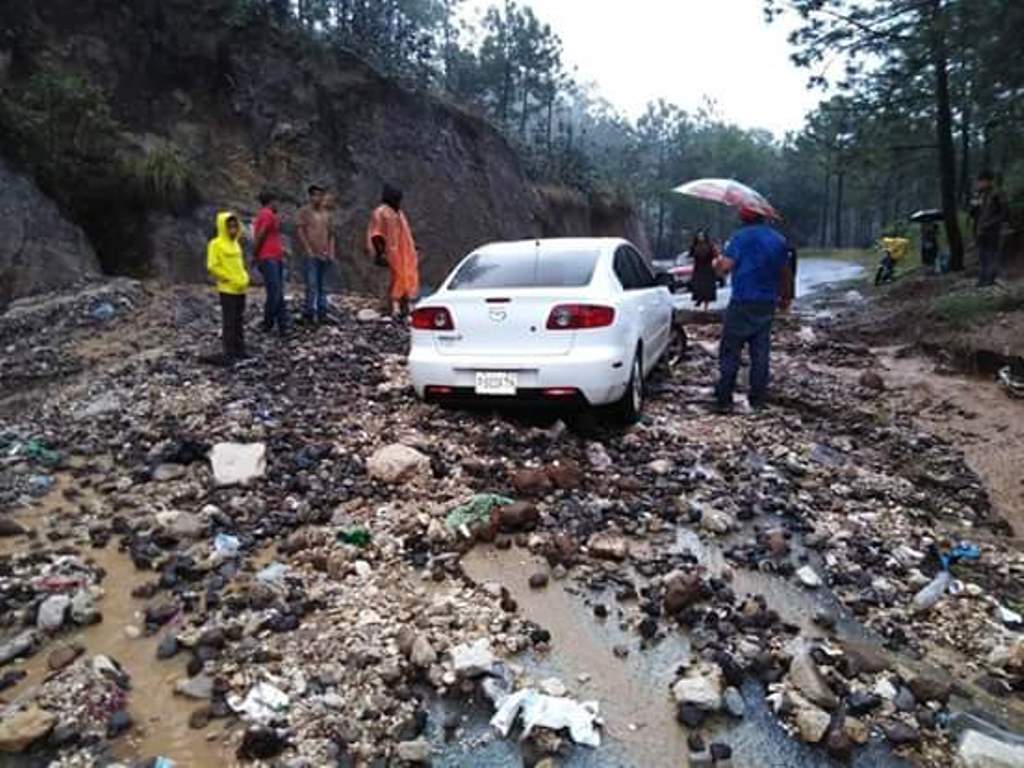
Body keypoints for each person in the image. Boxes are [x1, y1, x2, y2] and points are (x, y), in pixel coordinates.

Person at [712, 208, 794, 413]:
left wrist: (717, 261)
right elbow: (785, 272)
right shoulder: (778, 240)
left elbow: (724, 268)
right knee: (760, 352)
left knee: (730, 350)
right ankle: (757, 400)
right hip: (766, 303)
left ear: (743, 218)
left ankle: (724, 399)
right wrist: (786, 298)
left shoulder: (739, 238)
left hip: (742, 301)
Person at [367, 184, 420, 319]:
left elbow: (404, 234)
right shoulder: (381, 212)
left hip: (402, 255)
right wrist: (380, 253)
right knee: (387, 282)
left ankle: (403, 307)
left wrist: (412, 247)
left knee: (403, 280)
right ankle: (386, 309)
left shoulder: (399, 213)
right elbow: (377, 235)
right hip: (388, 255)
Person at [206, 212, 250, 364]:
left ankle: (240, 349)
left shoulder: (236, 244)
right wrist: (228, 278)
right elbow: (212, 266)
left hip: (241, 288)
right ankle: (228, 353)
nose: (233, 230)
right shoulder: (215, 244)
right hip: (228, 289)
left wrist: (244, 277)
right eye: (229, 227)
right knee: (229, 322)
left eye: (235, 226)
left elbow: (239, 265)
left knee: (239, 320)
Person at [297, 183, 335, 323]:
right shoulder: (305, 212)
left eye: (320, 195)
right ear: (310, 197)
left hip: (324, 253)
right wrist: (307, 249)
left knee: (323, 285)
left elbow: (331, 234)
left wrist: (331, 251)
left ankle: (322, 312)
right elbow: (300, 231)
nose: (317, 198)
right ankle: (309, 312)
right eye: (314, 195)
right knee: (311, 284)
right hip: (311, 254)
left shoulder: (327, 214)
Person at [252, 190, 289, 335]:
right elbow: (261, 235)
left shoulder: (266, 215)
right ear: (271, 201)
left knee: (277, 292)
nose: (278, 205)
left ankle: (282, 325)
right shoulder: (267, 214)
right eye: (276, 202)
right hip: (268, 257)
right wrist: (255, 254)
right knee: (275, 292)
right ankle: (268, 323)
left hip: (274, 257)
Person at [971, 170, 1007, 287]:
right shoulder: (980, 195)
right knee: (982, 254)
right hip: (981, 229)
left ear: (988, 181)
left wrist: (993, 223)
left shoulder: (997, 194)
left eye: (982, 181)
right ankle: (982, 278)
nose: (980, 184)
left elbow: (1003, 212)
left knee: (992, 253)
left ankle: (990, 278)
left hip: (993, 229)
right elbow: (975, 213)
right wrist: (974, 206)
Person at [688, 229, 719, 311]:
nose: (700, 237)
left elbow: (715, 255)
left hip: (707, 269)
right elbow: (690, 255)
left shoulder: (710, 246)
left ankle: (706, 307)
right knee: (698, 286)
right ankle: (699, 300)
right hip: (698, 269)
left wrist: (715, 258)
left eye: (702, 236)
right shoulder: (694, 246)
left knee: (707, 289)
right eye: (699, 236)